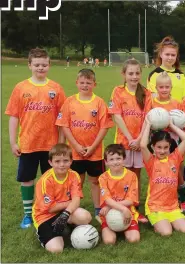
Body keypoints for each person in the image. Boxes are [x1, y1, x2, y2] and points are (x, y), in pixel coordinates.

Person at [5, 48, 66, 228]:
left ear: (49, 65)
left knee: (52, 178)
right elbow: (14, 116)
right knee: (27, 179)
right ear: (30, 65)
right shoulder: (21, 88)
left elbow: (62, 118)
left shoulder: (55, 88)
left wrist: (61, 143)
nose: (41, 68)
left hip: (51, 144)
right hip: (28, 143)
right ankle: (27, 214)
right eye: (37, 65)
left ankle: (50, 212)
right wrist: (13, 141)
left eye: (44, 65)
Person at [56, 68, 113, 223]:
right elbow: (65, 125)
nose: (85, 85)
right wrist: (76, 146)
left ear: (94, 84)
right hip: (75, 153)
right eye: (82, 82)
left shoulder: (99, 102)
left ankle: (98, 210)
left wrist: (93, 147)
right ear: (77, 83)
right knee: (76, 182)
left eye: (88, 83)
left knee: (95, 181)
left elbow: (104, 127)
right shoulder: (69, 102)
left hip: (95, 152)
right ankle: (72, 211)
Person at [108, 58, 151, 223]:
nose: (134, 77)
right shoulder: (118, 91)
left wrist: (139, 139)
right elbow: (117, 116)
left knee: (136, 177)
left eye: (137, 73)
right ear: (124, 74)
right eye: (130, 73)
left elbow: (148, 118)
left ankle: (135, 209)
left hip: (139, 144)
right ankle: (120, 207)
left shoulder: (146, 93)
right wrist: (129, 138)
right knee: (121, 175)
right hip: (124, 143)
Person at [32, 143, 92, 253]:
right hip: (45, 216)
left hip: (65, 212)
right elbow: (50, 208)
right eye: (57, 161)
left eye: (65, 160)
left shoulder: (74, 175)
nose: (62, 165)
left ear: (71, 161)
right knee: (57, 249)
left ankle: (67, 226)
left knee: (85, 217)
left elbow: (77, 200)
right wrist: (70, 203)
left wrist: (66, 213)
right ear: (50, 162)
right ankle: (41, 233)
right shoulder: (46, 180)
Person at [140, 116, 185, 236]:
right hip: (155, 207)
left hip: (172, 207)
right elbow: (142, 145)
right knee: (167, 232)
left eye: (165, 147)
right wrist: (147, 124)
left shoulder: (175, 158)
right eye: (159, 147)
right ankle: (157, 223)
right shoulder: (151, 161)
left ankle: (165, 222)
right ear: (153, 147)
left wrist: (171, 125)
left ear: (169, 147)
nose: (162, 151)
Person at [146, 72, 185, 212]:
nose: (164, 89)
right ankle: (157, 197)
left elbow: (184, 122)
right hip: (158, 143)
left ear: (171, 87)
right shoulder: (152, 102)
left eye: (167, 87)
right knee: (158, 171)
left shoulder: (176, 103)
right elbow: (147, 120)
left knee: (177, 172)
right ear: (156, 88)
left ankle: (182, 198)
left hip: (173, 141)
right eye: (161, 87)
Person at [98, 144, 140, 244]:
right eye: (111, 159)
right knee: (109, 241)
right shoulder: (103, 177)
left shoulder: (132, 176)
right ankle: (107, 224)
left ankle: (127, 226)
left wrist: (112, 207)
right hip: (108, 212)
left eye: (118, 158)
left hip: (126, 210)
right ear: (106, 162)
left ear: (124, 159)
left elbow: (131, 200)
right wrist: (122, 209)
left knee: (134, 240)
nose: (115, 162)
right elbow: (107, 199)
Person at [147, 36, 185, 102]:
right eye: (167, 54)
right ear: (161, 54)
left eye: (173, 55)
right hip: (161, 111)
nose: (170, 58)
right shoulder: (154, 75)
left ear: (176, 56)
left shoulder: (181, 76)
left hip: (178, 111)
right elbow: (153, 97)